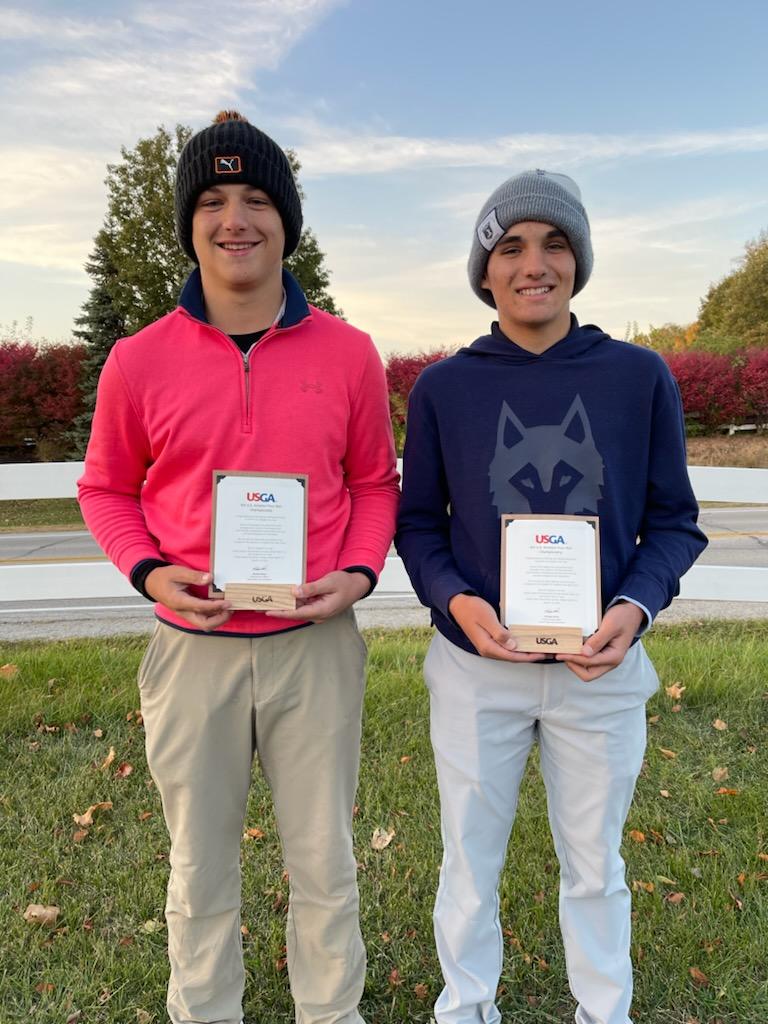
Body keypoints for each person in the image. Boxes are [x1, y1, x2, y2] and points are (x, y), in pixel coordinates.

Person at [78, 110, 399, 1024]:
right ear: (188, 221)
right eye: (213, 200)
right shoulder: (138, 361)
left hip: (316, 645)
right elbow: (105, 489)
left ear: (286, 220)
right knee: (199, 866)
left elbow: (376, 483)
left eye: (257, 198)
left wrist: (361, 575)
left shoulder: (348, 354)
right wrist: (148, 572)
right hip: (193, 652)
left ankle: (331, 1014)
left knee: (325, 863)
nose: (236, 219)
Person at [395, 169, 707, 1024]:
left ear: (580, 260)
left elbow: (675, 523)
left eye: (555, 243)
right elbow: (418, 524)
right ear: (485, 271)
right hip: (475, 670)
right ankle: (466, 1008)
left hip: (598, 673)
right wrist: (458, 604)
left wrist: (632, 608)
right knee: (469, 860)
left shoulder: (638, 378)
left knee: (596, 864)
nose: (536, 263)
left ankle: (603, 1012)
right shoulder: (443, 390)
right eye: (512, 246)